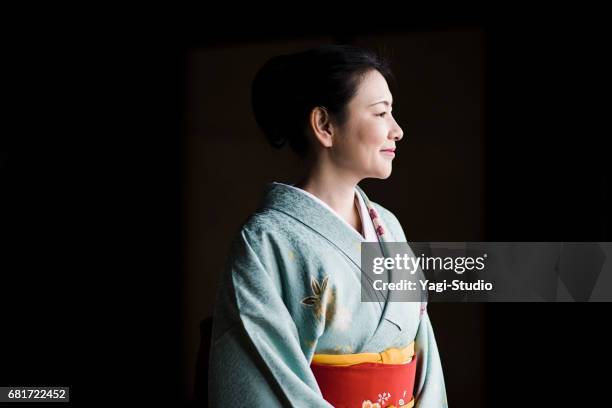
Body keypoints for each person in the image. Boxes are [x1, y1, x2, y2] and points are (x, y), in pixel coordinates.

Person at [209, 44, 447, 407]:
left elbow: (425, 357)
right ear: (324, 125)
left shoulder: (389, 227)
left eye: (392, 114)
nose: (396, 130)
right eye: (381, 114)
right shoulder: (265, 243)